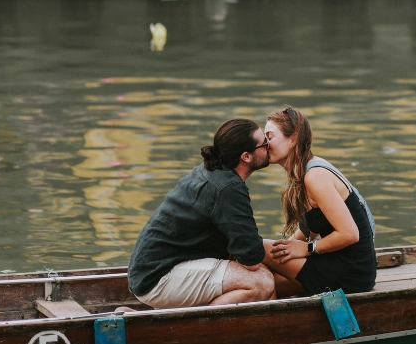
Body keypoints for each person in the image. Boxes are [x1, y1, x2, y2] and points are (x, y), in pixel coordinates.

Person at [127, 119, 277, 309]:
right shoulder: (229, 188)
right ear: (246, 156)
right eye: (264, 142)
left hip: (149, 270)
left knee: (258, 271)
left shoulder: (210, 170)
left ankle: (158, 315)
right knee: (261, 281)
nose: (269, 145)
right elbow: (252, 259)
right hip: (158, 279)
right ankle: (187, 327)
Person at [262, 106, 377, 298]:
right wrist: (288, 247)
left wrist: (307, 249)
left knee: (258, 248)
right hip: (339, 265)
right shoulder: (303, 171)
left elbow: (350, 234)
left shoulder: (315, 175)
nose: (264, 144)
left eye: (270, 137)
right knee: (266, 283)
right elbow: (313, 226)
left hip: (351, 271)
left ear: (293, 139)